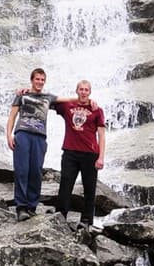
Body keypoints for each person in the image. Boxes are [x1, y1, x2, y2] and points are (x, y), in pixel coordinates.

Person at [53, 79, 107, 231]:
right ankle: (61, 214)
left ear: (90, 92)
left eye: (86, 90)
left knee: (89, 188)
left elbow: (102, 135)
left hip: (90, 154)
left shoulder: (97, 110)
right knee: (65, 183)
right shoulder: (67, 105)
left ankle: (86, 220)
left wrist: (101, 157)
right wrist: (27, 91)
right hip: (70, 151)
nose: (83, 92)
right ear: (76, 91)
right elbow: (50, 100)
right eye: (81, 89)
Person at [6, 67, 56, 221]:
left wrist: (87, 99)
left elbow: (67, 101)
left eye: (42, 79)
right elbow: (12, 116)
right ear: (32, 80)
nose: (40, 82)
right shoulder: (22, 95)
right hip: (23, 134)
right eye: (37, 79)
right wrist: (9, 135)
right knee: (22, 170)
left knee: (36, 172)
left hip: (40, 137)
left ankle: (32, 206)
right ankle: (21, 207)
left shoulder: (48, 98)